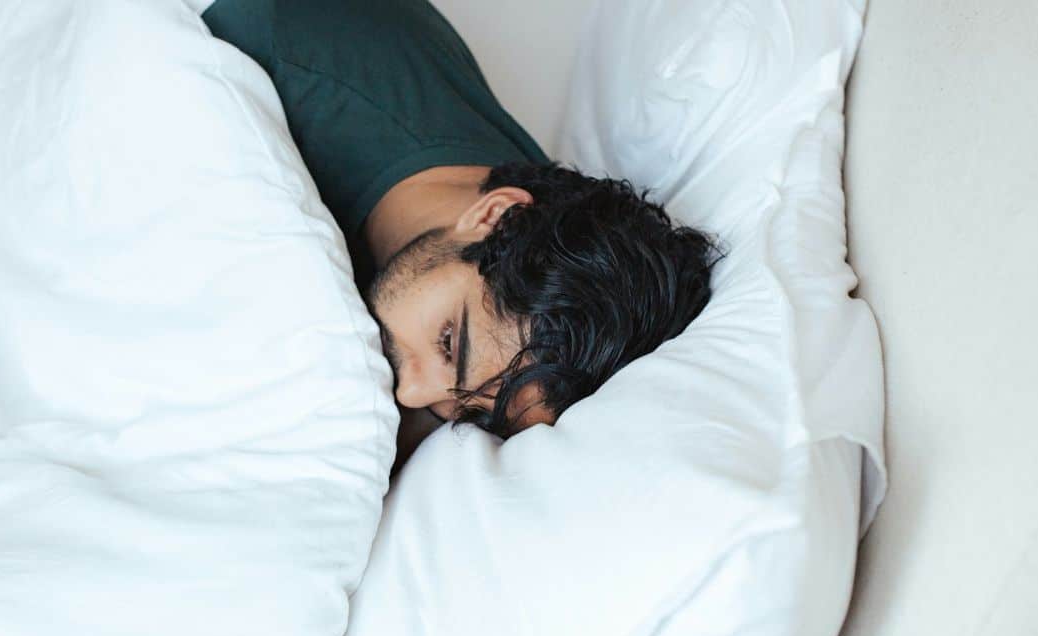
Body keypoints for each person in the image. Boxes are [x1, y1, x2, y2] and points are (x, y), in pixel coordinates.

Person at [202, 0, 719, 449]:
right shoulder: (274, 58)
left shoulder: (544, 235)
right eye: (449, 343)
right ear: (494, 214)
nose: (413, 395)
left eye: (472, 413)